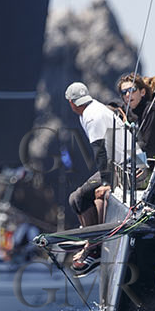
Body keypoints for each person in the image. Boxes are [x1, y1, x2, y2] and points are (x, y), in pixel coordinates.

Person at [65, 81, 125, 275]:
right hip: (119, 163)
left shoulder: (92, 116)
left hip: (124, 166)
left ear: (71, 103)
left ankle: (94, 247)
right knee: (75, 198)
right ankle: (90, 237)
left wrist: (107, 183)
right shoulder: (92, 109)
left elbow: (101, 151)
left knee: (80, 197)